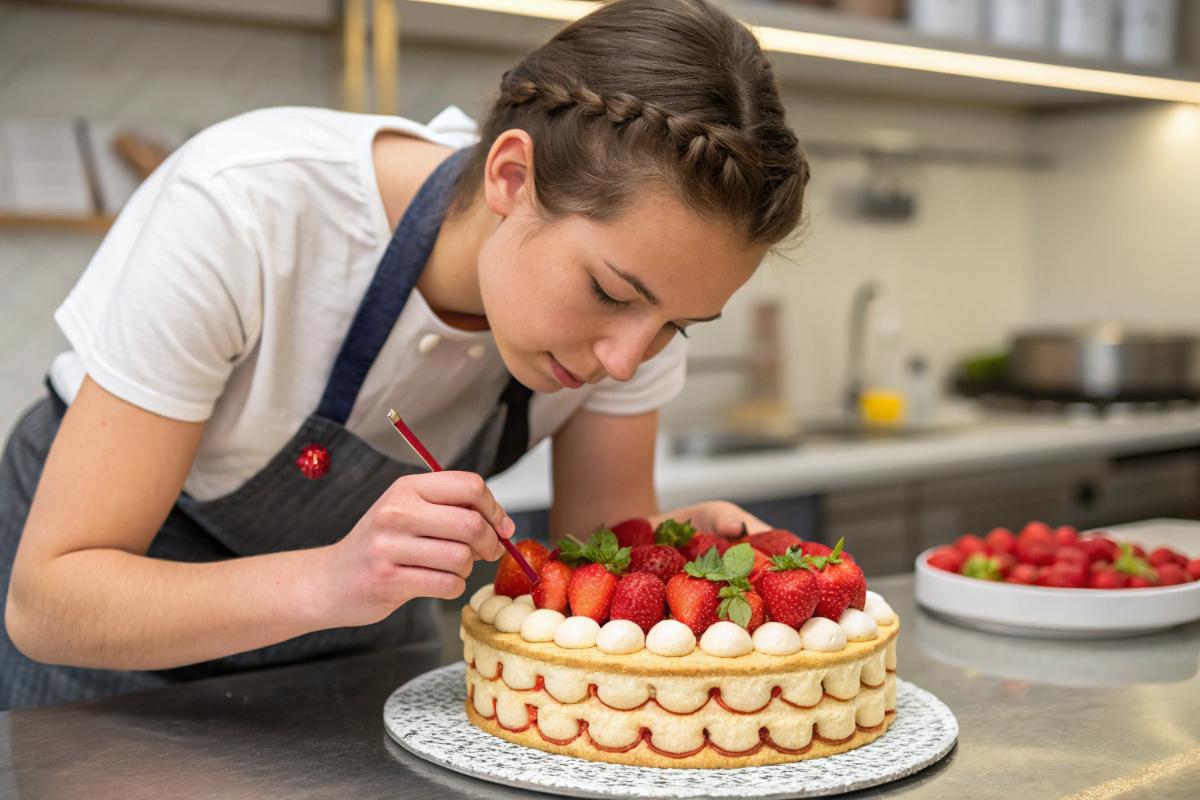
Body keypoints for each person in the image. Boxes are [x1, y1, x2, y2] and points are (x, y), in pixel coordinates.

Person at [0, 0, 809, 711]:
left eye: (678, 326)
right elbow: (47, 604)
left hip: (357, 648)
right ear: (511, 177)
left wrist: (676, 547)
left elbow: (591, 546)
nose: (627, 362)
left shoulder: (641, 305)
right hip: (109, 664)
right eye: (607, 291)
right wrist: (331, 580)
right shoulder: (248, 207)